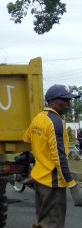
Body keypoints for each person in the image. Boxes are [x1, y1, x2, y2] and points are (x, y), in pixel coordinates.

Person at [23, 84, 82, 227]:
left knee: (43, 221)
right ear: (52, 101)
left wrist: (41, 151)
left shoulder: (38, 118)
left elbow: (26, 138)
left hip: (39, 179)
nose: (68, 103)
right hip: (52, 181)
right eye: (64, 100)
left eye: (69, 100)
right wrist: (73, 186)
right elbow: (60, 158)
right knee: (53, 224)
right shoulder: (55, 122)